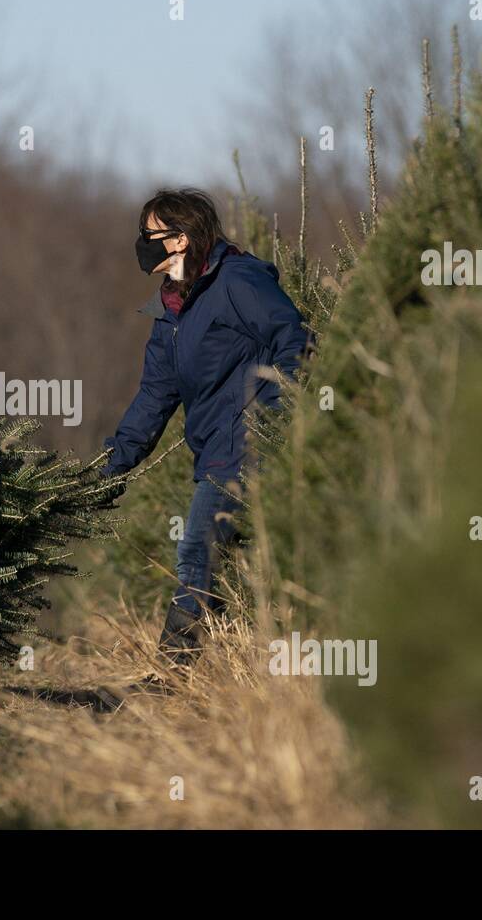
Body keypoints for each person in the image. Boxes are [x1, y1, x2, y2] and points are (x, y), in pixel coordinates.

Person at [101, 188, 310, 668]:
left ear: (180, 238)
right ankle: (236, 674)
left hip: (245, 448)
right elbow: (156, 395)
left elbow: (294, 340)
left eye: (149, 234)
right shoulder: (170, 306)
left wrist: (271, 419)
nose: (142, 243)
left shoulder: (236, 280)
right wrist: (110, 468)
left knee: (197, 552)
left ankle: (174, 677)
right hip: (215, 451)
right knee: (225, 563)